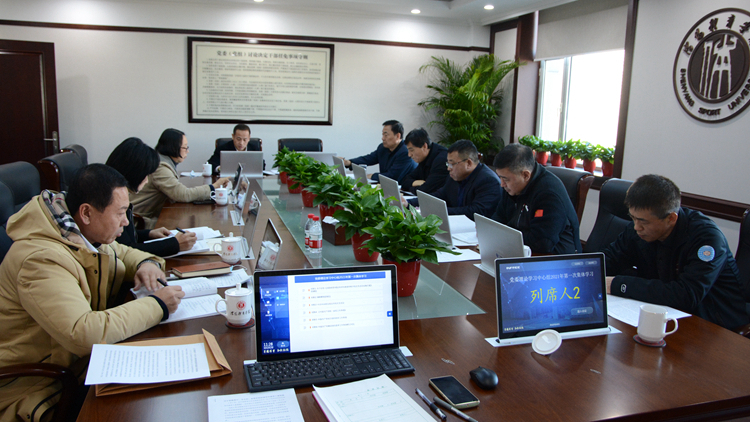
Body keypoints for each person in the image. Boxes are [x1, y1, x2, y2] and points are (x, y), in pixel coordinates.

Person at [0, 164, 185, 422]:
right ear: (86, 213)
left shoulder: (74, 232)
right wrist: (158, 305)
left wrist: (148, 264)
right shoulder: (40, 259)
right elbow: (83, 333)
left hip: (76, 363)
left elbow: (122, 252)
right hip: (36, 386)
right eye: (120, 213)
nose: (126, 221)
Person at [603, 174, 748, 330]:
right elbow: (611, 259)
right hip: (664, 314)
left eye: (643, 221)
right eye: (633, 217)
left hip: (714, 323)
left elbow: (686, 295)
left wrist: (619, 284)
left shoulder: (706, 239)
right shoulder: (637, 230)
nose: (636, 227)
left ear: (671, 218)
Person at [106, 137, 197, 256]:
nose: (147, 181)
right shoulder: (112, 202)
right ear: (135, 172)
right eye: (146, 175)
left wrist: (149, 234)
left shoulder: (116, 191)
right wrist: (175, 244)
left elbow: (126, 237)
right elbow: (126, 250)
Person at [490, 144, 581, 254]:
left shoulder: (548, 194)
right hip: (520, 249)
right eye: (500, 177)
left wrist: (505, 235)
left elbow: (542, 242)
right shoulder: (512, 187)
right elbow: (499, 216)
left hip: (555, 258)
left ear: (526, 175)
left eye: (505, 179)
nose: (502, 184)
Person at [130, 128, 230, 228]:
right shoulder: (160, 167)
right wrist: (214, 187)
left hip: (149, 215)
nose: (188, 151)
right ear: (173, 148)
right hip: (140, 220)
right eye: (185, 148)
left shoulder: (161, 160)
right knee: (184, 225)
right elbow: (183, 194)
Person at [409, 139, 501, 221]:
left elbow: (475, 212)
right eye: (448, 164)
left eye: (452, 164)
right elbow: (440, 195)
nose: (449, 168)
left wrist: (437, 212)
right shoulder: (455, 176)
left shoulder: (488, 181)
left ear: (468, 163)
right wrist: (409, 203)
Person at [341, 120, 416, 183]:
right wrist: (349, 162)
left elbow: (393, 176)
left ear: (398, 136)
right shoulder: (383, 148)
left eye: (386, 135)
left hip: (404, 190)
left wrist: (372, 176)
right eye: (382, 134)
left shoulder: (405, 152)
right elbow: (369, 159)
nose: (382, 138)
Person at [400, 128, 449, 195]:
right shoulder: (424, 157)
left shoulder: (441, 160)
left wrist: (411, 188)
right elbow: (404, 181)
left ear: (424, 146)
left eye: (411, 150)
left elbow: (425, 191)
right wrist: (416, 182)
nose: (409, 155)